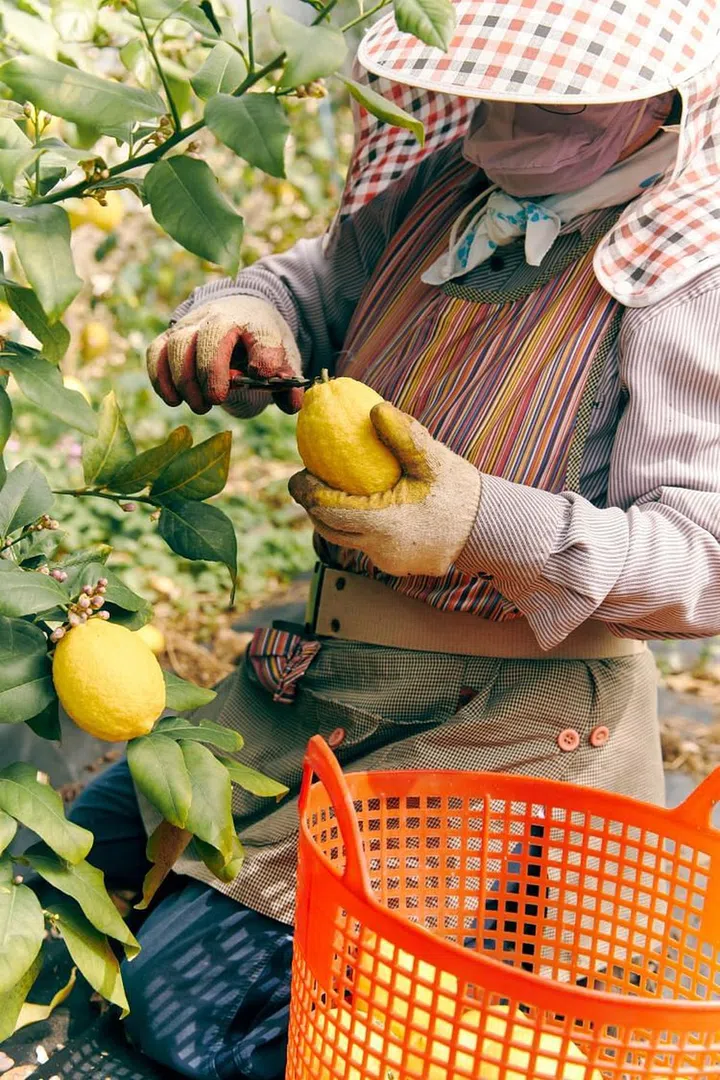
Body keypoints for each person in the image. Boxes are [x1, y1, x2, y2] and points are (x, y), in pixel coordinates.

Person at [69, 0, 720, 1075]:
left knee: (197, 1013)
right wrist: (246, 317)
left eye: (549, 95)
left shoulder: (681, 273)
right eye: (498, 84)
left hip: (502, 731)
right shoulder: (446, 194)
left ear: (657, 98)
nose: (506, 114)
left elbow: (703, 560)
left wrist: (480, 523)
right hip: (325, 678)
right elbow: (309, 283)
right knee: (75, 865)